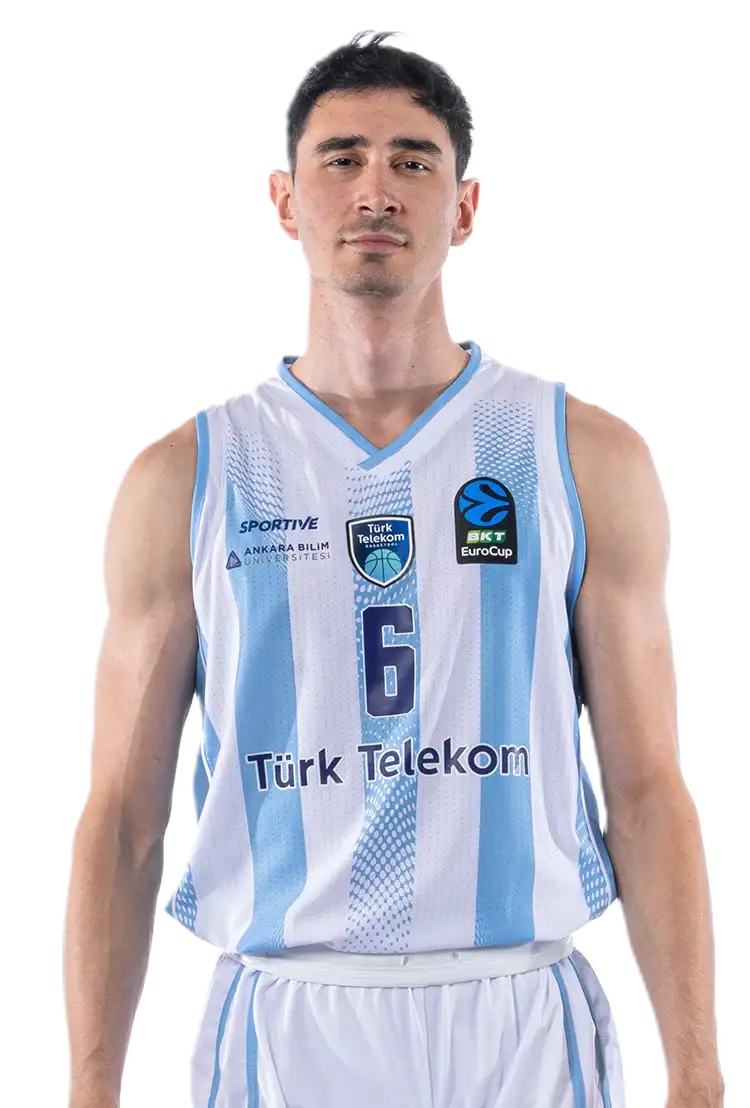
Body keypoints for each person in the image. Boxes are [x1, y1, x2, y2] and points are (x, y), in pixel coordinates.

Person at [64, 28, 724, 1108]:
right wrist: (91, 1091)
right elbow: (126, 818)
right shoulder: (188, 472)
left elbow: (648, 790)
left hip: (520, 1014)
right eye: (343, 158)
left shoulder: (577, 453)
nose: (376, 189)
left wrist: (697, 1075)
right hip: (287, 1018)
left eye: (413, 161)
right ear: (283, 200)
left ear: (464, 208)